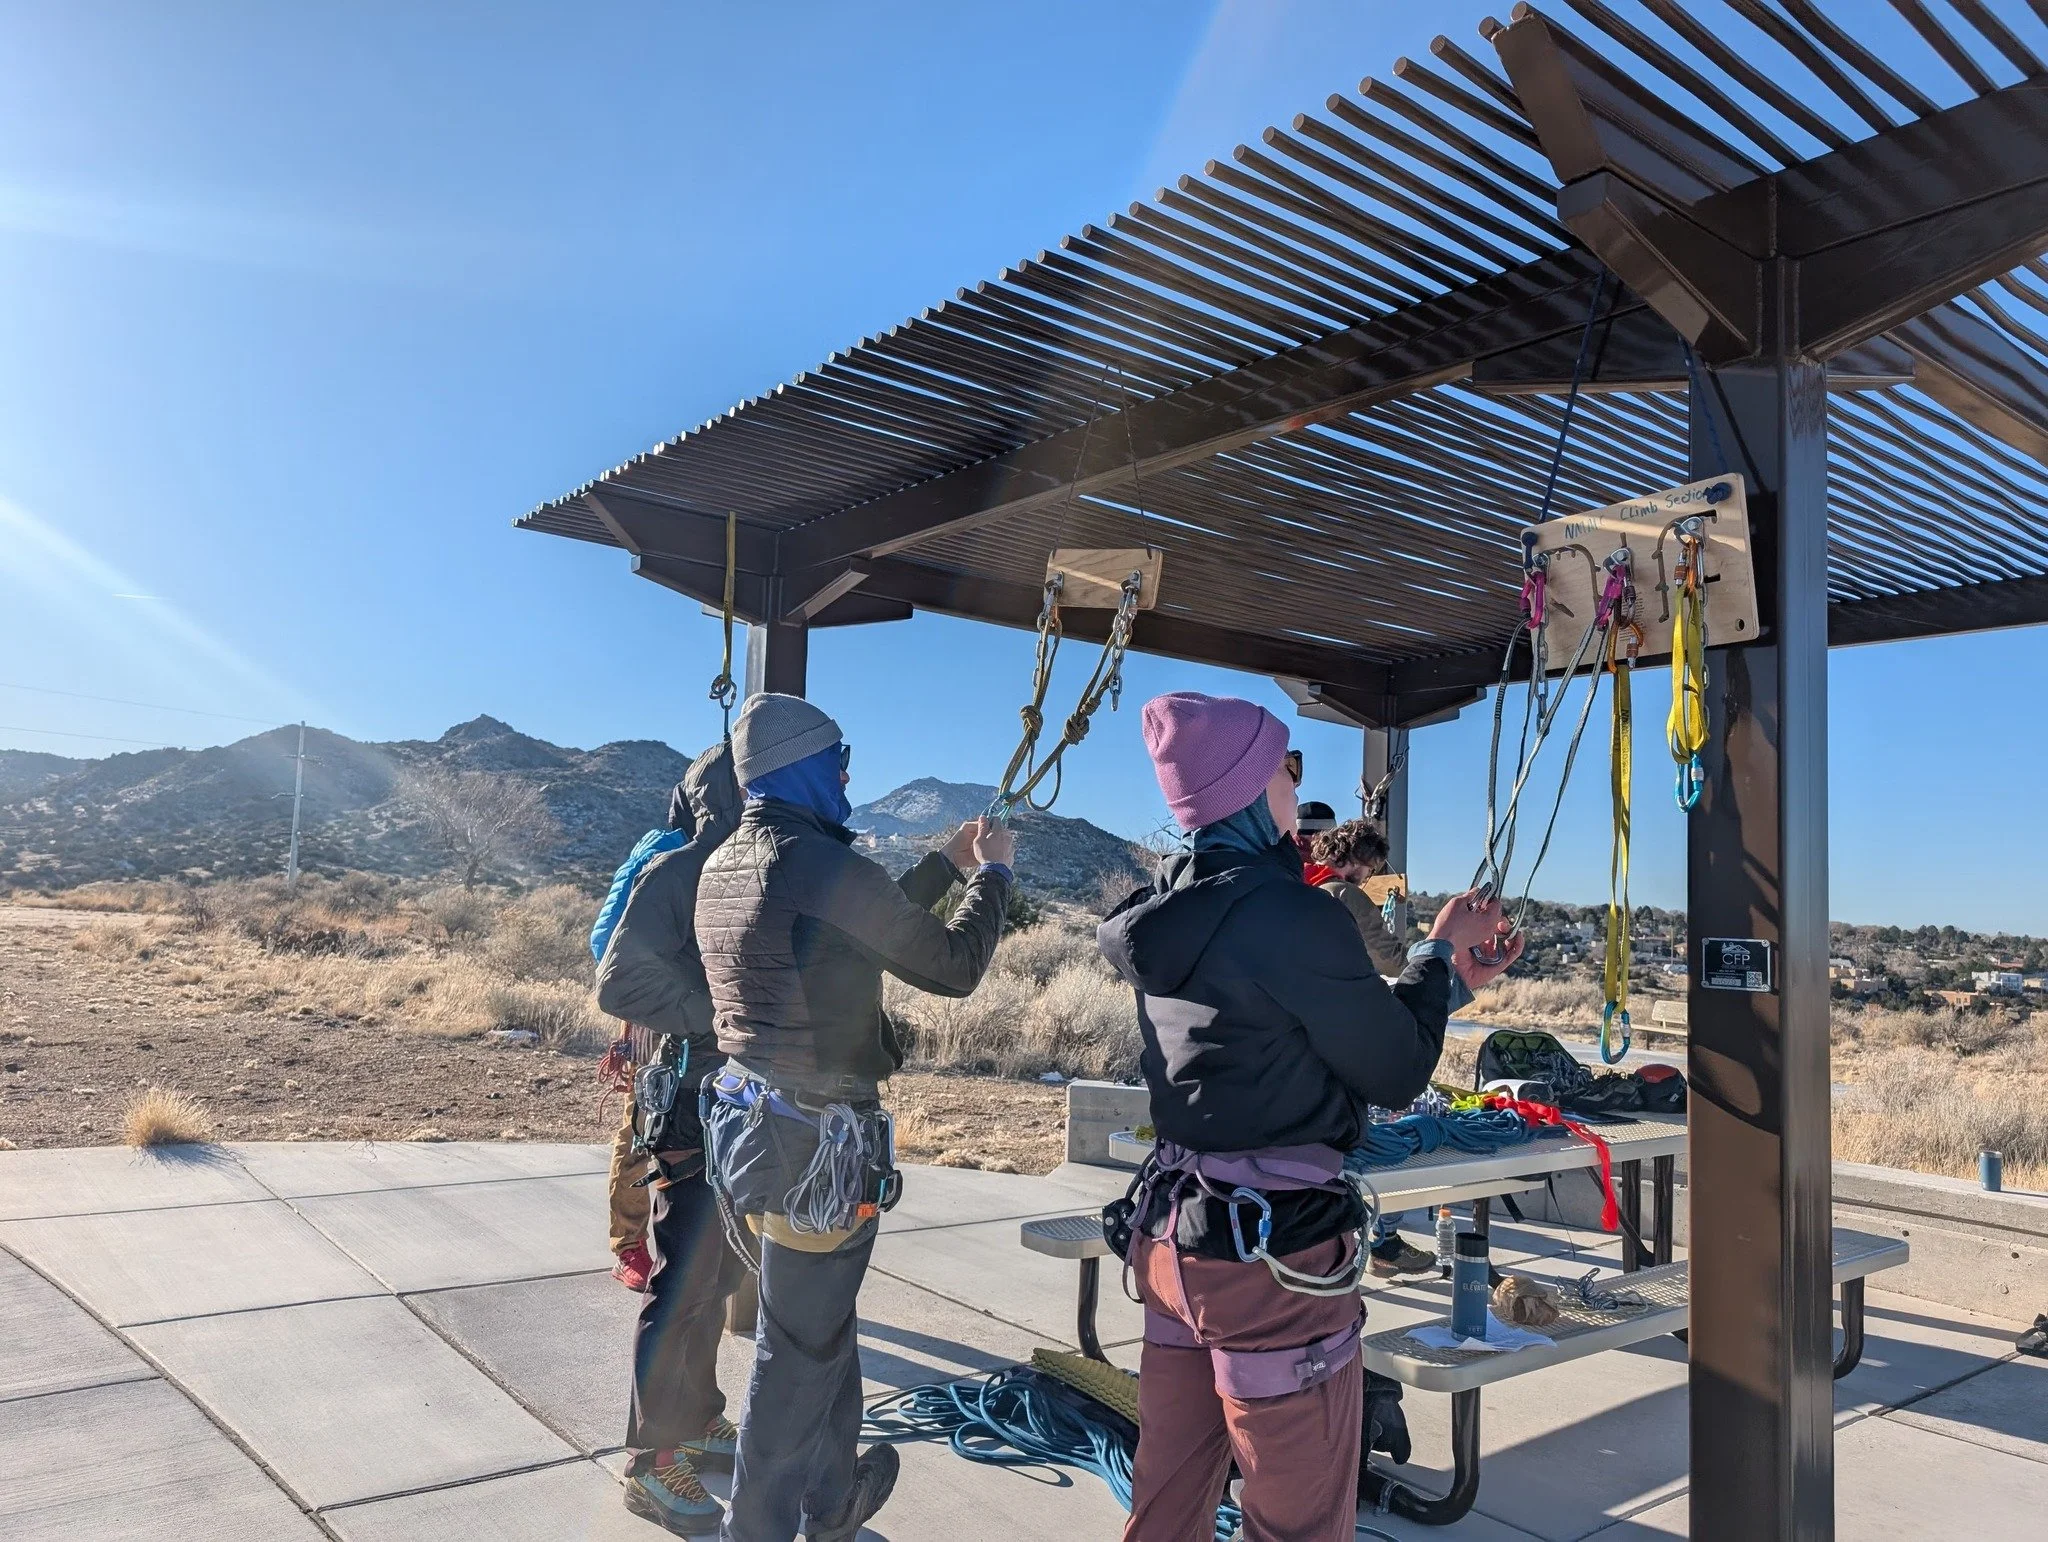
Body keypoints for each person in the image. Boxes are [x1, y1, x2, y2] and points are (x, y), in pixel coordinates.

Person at [1097, 691, 1520, 1542]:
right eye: (1289, 767)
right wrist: (1438, 953)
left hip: (1176, 1243)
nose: (1298, 785)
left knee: (1169, 1499)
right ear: (1251, 786)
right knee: (1298, 1517)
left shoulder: (1164, 913)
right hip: (1269, 1265)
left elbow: (1285, 1031)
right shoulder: (1294, 916)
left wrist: (1439, 984)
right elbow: (1395, 1070)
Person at [695, 692, 1016, 1542]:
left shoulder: (729, 862)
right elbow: (947, 966)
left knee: (814, 1321)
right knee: (792, 1352)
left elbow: (849, 931)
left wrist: (948, 863)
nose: (847, 773)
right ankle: (756, 1529)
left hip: (746, 1130)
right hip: (818, 1146)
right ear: (803, 763)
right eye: (839, 756)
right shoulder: (821, 863)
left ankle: (831, 1501)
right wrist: (995, 877)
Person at [594, 742, 749, 1535]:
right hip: (689, 1109)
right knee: (683, 1278)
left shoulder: (741, 867)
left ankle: (697, 1417)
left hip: (733, 1108)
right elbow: (618, 982)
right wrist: (717, 1017)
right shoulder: (683, 869)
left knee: (715, 1279)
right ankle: (652, 1466)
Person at [1303, 818, 1438, 1279]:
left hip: (1306, 1036)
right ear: (1353, 859)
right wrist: (1438, 954)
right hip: (1350, 1029)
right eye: (1369, 866)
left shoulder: (1299, 890)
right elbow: (1392, 961)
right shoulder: (1344, 895)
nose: (1369, 876)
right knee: (1375, 1140)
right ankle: (1380, 1239)